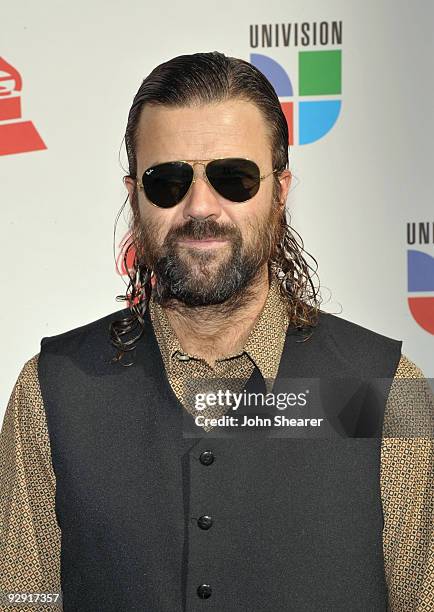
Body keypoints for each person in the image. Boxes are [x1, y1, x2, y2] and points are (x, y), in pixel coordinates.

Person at [0, 51, 433, 612]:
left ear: (280, 191)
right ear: (133, 196)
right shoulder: (50, 394)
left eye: (234, 178)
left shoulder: (388, 389)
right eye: (168, 181)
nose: (200, 207)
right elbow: (22, 601)